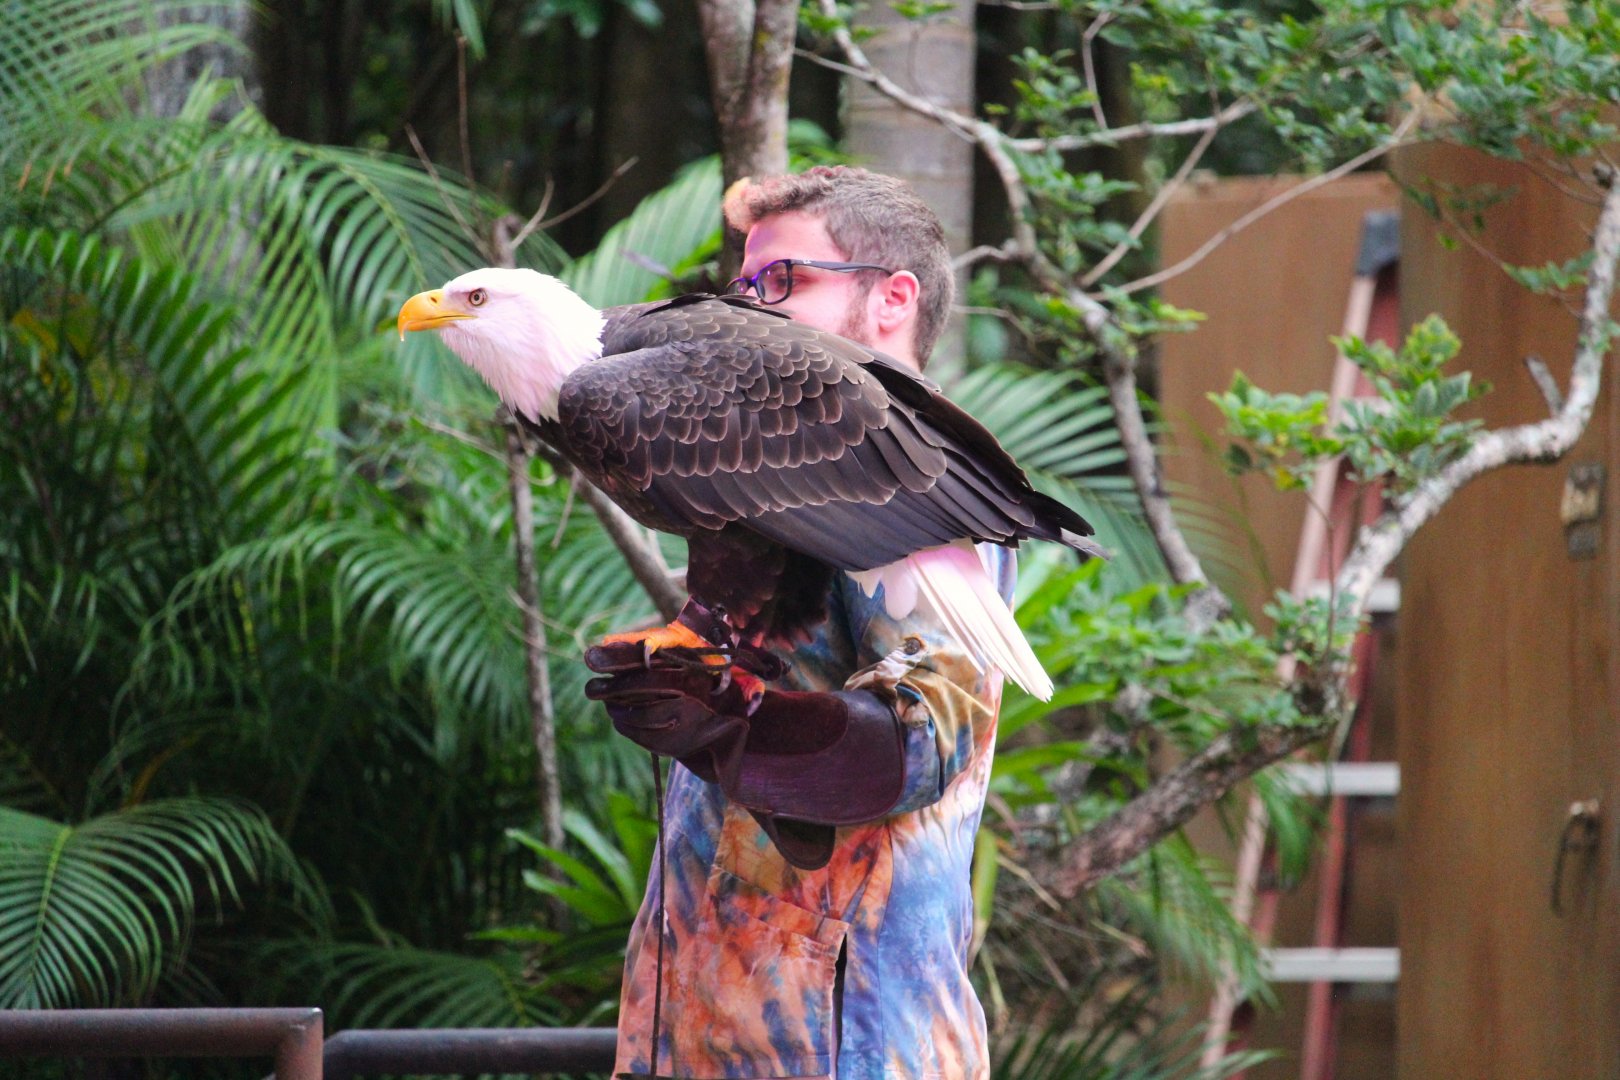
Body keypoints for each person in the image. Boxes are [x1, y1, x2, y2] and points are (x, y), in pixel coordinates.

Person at [587, 166, 1009, 1080]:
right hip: (700, 1029)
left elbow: (926, 740)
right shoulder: (772, 468)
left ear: (893, 299)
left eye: (783, 281)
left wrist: (737, 725)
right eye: (743, 285)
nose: (750, 308)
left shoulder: (917, 485)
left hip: (845, 1040)